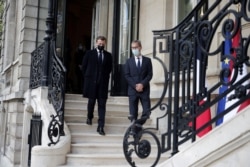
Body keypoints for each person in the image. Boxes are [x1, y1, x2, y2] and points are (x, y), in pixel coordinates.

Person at [82, 36, 112, 135]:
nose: (101, 45)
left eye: (102, 44)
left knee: (102, 105)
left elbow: (109, 69)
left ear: (105, 44)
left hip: (102, 84)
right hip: (91, 83)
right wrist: (88, 77)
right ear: (96, 43)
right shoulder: (89, 53)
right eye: (99, 44)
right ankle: (89, 117)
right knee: (91, 102)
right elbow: (84, 67)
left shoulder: (108, 55)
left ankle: (100, 126)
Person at [124, 40, 153, 128]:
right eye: (132, 48)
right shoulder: (129, 61)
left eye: (136, 47)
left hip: (144, 90)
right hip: (133, 91)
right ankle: (134, 130)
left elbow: (150, 74)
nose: (134, 49)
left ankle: (137, 125)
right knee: (133, 114)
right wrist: (135, 85)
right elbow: (127, 75)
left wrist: (142, 84)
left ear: (140, 47)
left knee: (147, 112)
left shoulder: (147, 60)